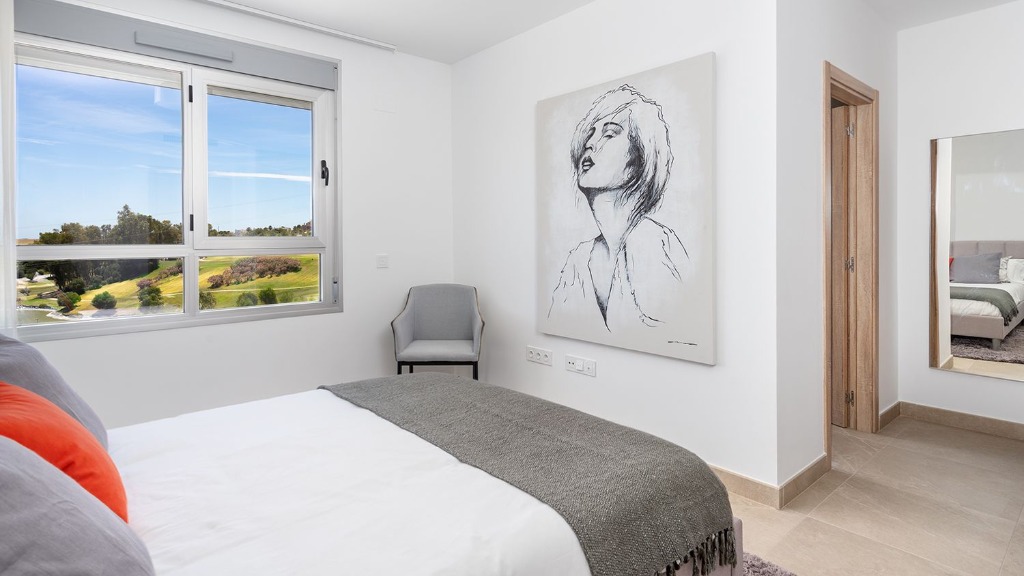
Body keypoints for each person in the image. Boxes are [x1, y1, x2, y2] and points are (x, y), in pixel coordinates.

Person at [548, 84, 688, 332]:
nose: (590, 144)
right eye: (590, 135)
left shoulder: (655, 243)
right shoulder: (578, 260)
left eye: (610, 134)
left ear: (639, 160)